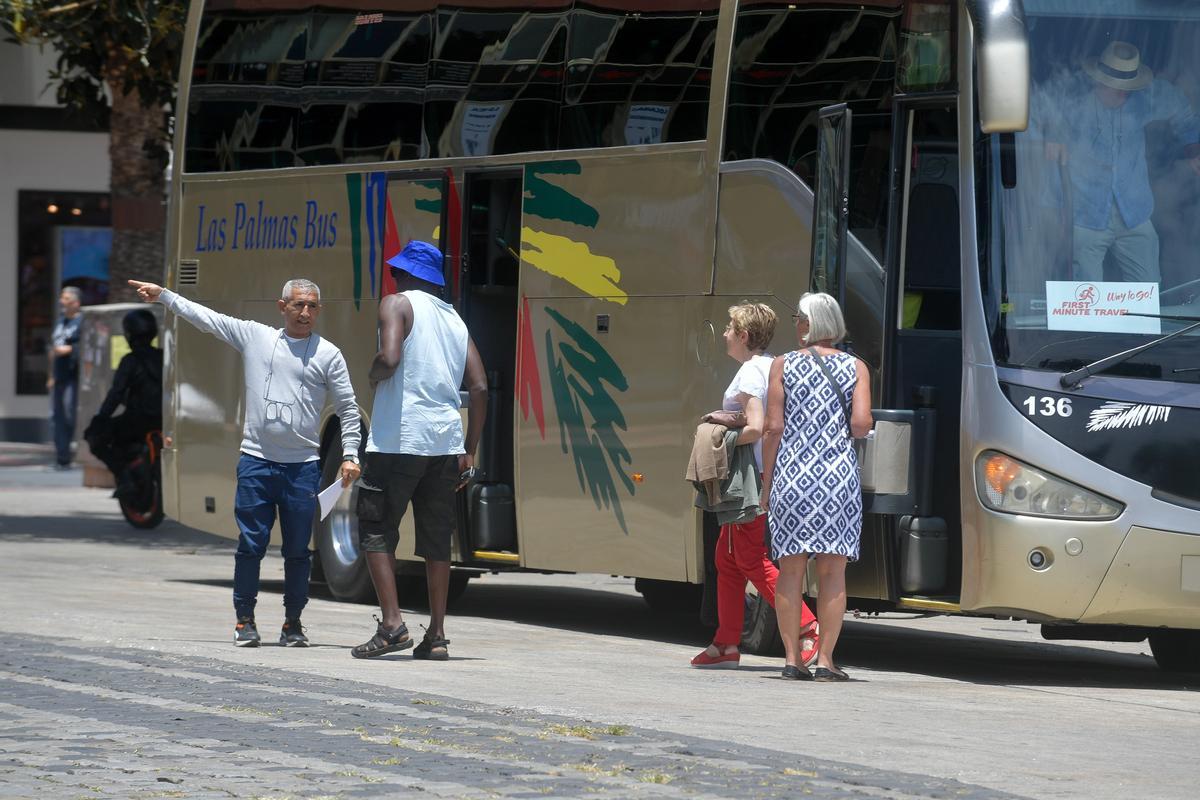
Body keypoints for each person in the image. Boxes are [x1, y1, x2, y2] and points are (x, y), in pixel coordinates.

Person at [128, 277, 362, 648]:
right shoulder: (256, 337)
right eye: (298, 305)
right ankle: (244, 621)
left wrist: (350, 454)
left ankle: (293, 624)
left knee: (299, 551)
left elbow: (349, 410)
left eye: (312, 306)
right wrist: (166, 297)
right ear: (281, 306)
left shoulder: (328, 354)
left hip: (302, 468)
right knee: (251, 546)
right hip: (256, 463)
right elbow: (207, 318)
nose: (305, 313)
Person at [351, 241, 487, 661]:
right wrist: (469, 449)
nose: (392, 279)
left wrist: (373, 374)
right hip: (444, 444)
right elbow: (480, 387)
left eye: (396, 272)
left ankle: (392, 626)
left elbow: (389, 360)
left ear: (408, 276)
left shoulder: (397, 304)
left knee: (375, 529)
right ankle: (438, 636)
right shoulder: (455, 321)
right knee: (435, 540)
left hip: (398, 440)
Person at [690, 303, 819, 669]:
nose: (726, 334)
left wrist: (719, 434)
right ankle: (726, 642)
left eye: (731, 328)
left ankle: (808, 626)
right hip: (771, 474)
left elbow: (756, 427)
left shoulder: (749, 372)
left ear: (744, 336)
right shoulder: (773, 366)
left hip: (749, 481)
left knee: (750, 558)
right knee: (727, 559)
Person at [761, 293, 871, 682]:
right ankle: (826, 660)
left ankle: (792, 659)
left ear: (810, 324)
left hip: (792, 475)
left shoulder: (783, 365)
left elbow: (773, 427)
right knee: (832, 572)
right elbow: (860, 425)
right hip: (837, 479)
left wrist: (768, 482)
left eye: (799, 319)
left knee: (790, 570)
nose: (796, 324)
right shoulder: (855, 367)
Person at [1039, 40, 1200, 283]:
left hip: (1135, 212)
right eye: (1117, 87)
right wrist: (1048, 135)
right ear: (1098, 81)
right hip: (1084, 214)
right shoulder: (1070, 95)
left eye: (1129, 87)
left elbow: (1182, 110)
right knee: (1085, 296)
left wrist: (1193, 147)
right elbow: (1032, 111)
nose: (1124, 93)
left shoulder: (1147, 96)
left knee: (1148, 290)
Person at [83, 309, 163, 497]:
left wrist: (100, 418)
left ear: (129, 334)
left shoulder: (130, 360)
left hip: (137, 422)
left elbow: (116, 393)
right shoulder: (163, 356)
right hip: (164, 421)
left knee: (94, 435)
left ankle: (124, 474)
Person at [48, 286, 83, 469]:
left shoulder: (82, 322)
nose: (62, 301)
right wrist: (50, 375)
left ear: (76, 303)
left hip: (74, 376)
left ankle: (75, 450)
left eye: (66, 298)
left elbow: (89, 345)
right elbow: (52, 350)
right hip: (59, 376)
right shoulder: (60, 322)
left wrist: (69, 349)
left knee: (70, 414)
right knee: (57, 416)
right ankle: (62, 457)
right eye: (62, 298)